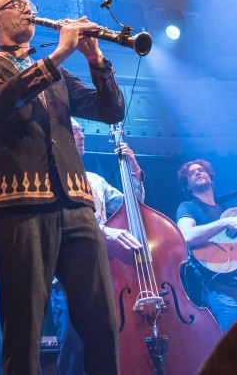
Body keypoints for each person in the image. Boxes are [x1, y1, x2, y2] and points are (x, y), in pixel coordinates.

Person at [0, 0, 124, 374]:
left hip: (77, 206)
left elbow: (111, 110)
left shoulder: (58, 74)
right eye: (17, 6)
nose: (29, 12)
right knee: (24, 329)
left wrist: (95, 57)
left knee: (101, 323)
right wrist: (60, 54)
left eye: (31, 7)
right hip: (19, 205)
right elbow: (1, 101)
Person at [49, 118, 143, 375]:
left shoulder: (95, 179)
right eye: (75, 131)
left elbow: (133, 209)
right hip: (68, 277)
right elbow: (56, 222)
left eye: (82, 131)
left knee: (105, 353)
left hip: (105, 277)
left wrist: (134, 172)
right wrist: (102, 231)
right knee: (75, 353)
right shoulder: (48, 178)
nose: (82, 136)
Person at [175, 159, 237, 332]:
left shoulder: (226, 209)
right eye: (191, 174)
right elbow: (185, 236)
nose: (197, 173)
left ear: (210, 178)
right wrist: (224, 223)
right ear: (187, 186)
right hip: (221, 287)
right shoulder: (188, 207)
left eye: (201, 170)